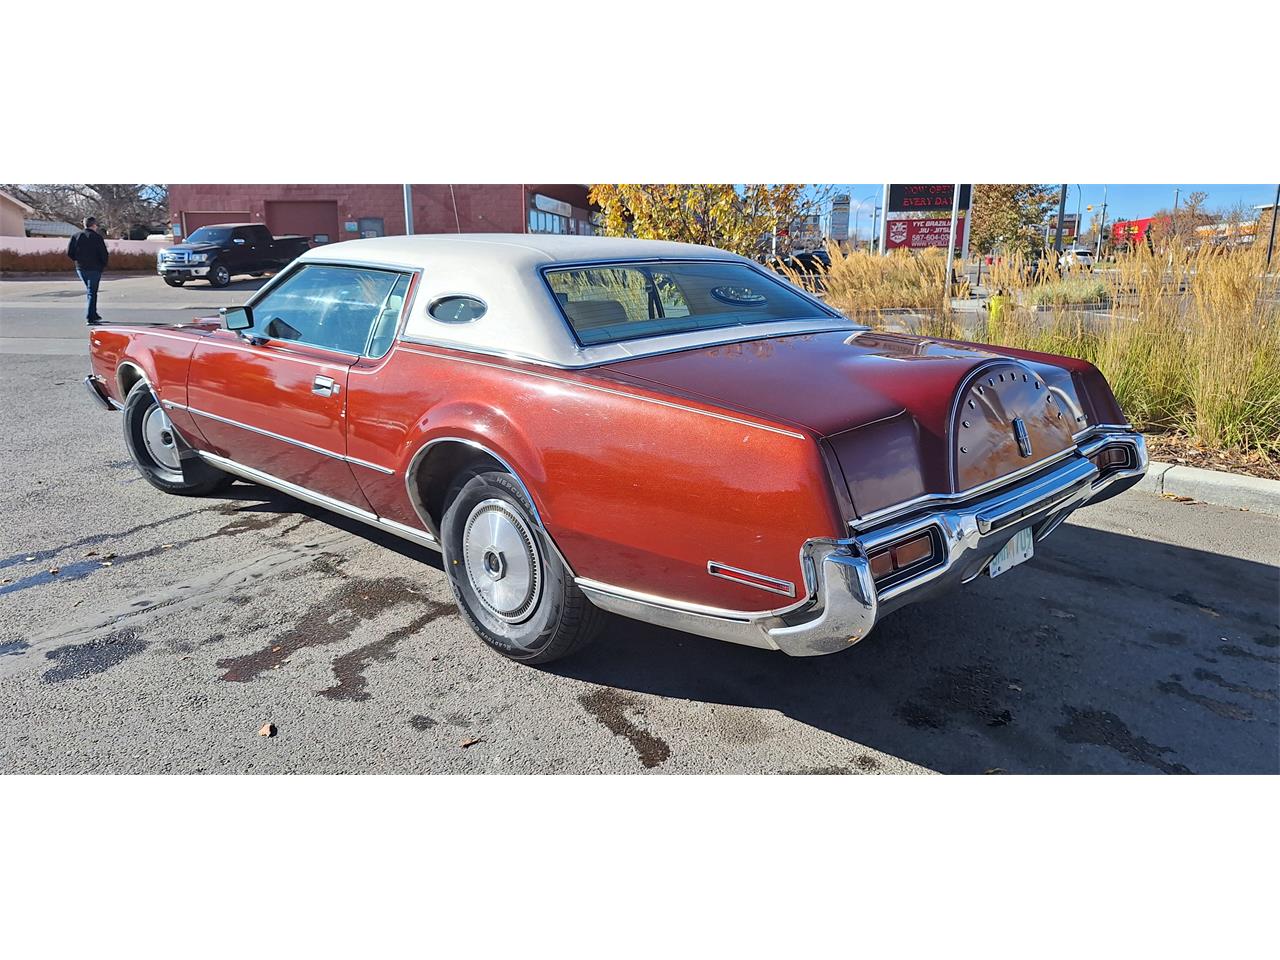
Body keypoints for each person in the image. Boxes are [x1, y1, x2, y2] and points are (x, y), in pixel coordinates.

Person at [67, 216, 109, 324]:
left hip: (81, 268)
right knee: (92, 292)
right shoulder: (97, 237)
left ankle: (93, 313)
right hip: (94, 268)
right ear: (94, 225)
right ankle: (91, 317)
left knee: (90, 291)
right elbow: (103, 253)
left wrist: (77, 260)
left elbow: (70, 252)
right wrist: (103, 265)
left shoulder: (76, 236)